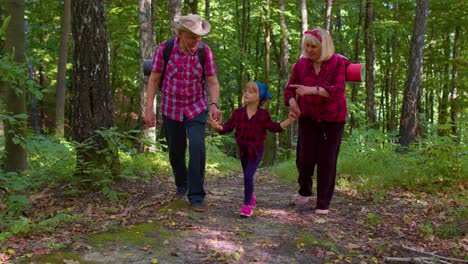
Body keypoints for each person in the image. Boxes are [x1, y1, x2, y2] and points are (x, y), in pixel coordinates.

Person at [144, 14, 221, 212]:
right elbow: (153, 79)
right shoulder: (165, 49)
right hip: (171, 108)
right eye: (192, 37)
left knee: (197, 147)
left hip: (196, 107)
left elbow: (212, 82)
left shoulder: (205, 52)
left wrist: (214, 104)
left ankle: (196, 195)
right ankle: (182, 184)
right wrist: (148, 109)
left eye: (198, 37)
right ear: (180, 34)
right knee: (175, 152)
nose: (196, 41)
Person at [284, 27, 348, 215]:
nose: (310, 50)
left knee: (327, 160)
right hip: (308, 116)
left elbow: (337, 90)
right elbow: (290, 89)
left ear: (324, 46)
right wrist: (292, 101)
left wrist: (312, 89)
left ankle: (323, 203)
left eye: (314, 46)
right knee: (305, 158)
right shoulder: (301, 64)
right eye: (307, 46)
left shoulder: (338, 63)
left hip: (333, 118)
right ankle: (305, 190)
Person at [210, 81, 296, 217]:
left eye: (251, 91)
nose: (246, 93)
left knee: (248, 175)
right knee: (247, 175)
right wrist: (218, 127)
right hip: (243, 150)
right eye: (245, 90)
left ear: (259, 97)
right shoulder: (238, 113)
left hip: (256, 151)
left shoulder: (263, 115)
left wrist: (290, 120)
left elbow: (274, 127)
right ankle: (251, 196)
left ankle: (247, 205)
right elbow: (227, 126)